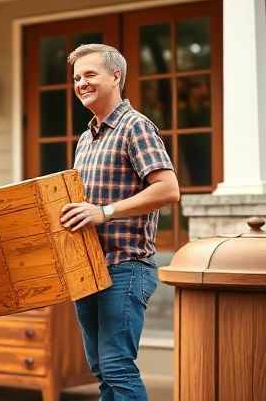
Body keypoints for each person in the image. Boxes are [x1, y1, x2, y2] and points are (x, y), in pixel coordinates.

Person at [59, 44, 180, 400]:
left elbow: (168, 189)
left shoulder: (135, 127)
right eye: (77, 77)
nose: (81, 83)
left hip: (125, 267)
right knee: (101, 367)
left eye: (90, 75)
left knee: (116, 365)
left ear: (116, 76)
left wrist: (104, 212)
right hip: (89, 267)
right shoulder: (86, 138)